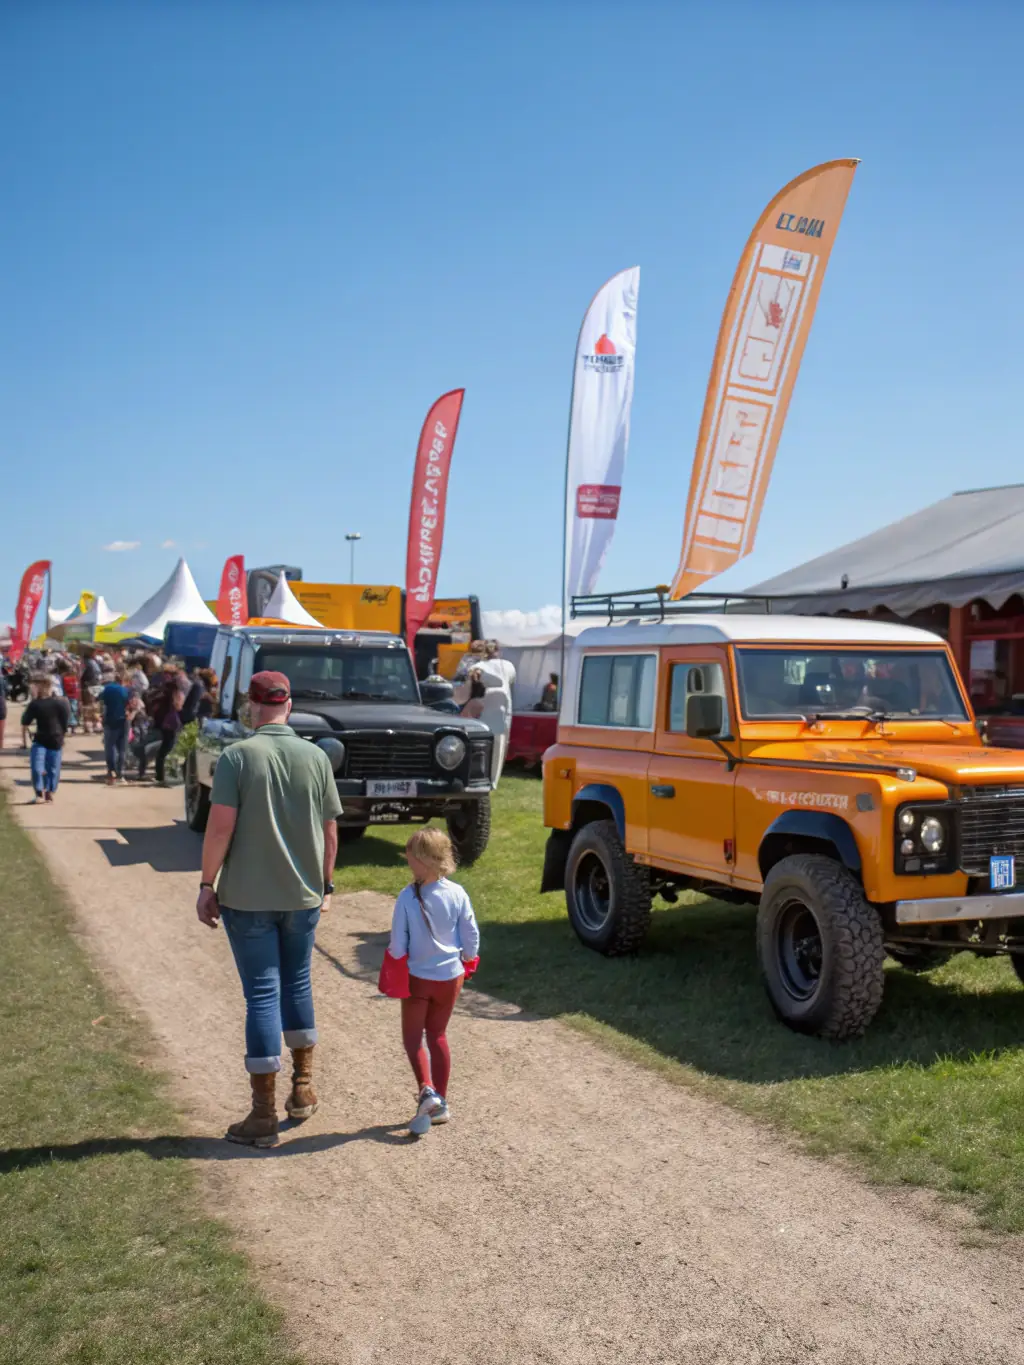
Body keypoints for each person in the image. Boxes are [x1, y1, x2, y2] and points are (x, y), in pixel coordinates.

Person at [195, 670, 341, 1147]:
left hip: (248, 898)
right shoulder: (317, 756)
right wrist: (325, 882)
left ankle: (262, 1115)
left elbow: (218, 830)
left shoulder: (237, 757)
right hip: (302, 896)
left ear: (252, 707)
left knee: (261, 994)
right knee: (297, 982)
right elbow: (330, 831)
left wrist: (205, 883)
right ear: (289, 705)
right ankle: (302, 1090)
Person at [389, 828, 480, 1136]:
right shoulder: (457, 893)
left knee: (414, 1039)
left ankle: (426, 1092)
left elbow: (398, 946)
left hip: (418, 978)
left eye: (411, 856)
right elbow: (471, 936)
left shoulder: (407, 897)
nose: (408, 862)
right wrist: (468, 959)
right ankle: (441, 1102)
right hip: (451, 977)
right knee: (438, 1035)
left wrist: (393, 962)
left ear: (424, 861)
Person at [21, 675, 71, 803]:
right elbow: (25, 721)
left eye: (34, 686)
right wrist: (25, 740)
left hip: (55, 739)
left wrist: (62, 736)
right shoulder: (35, 704)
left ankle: (49, 791)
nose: (32, 689)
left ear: (41, 687)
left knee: (53, 769)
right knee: (37, 767)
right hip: (40, 740)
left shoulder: (59, 703)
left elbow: (64, 722)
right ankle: (39, 792)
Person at [139, 669, 186, 785]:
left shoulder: (162, 691)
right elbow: (178, 707)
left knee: (162, 751)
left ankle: (159, 775)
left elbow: (151, 701)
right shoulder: (174, 693)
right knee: (166, 751)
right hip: (171, 725)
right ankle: (162, 776)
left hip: (163, 724)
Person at [99, 668, 132, 785]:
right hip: (124, 720)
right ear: (125, 680)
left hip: (109, 720)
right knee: (122, 748)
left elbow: (100, 700)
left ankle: (111, 772)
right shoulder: (126, 690)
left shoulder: (107, 689)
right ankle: (121, 774)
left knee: (110, 747)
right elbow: (131, 705)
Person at [80, 650, 101, 733]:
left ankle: (89, 726)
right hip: (96, 685)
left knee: (88, 707)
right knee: (95, 706)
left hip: (88, 686)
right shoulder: (94, 663)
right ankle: (96, 725)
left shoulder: (85, 663)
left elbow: (81, 675)